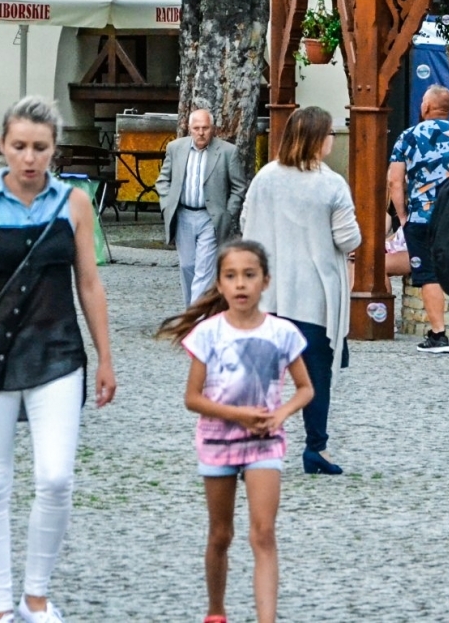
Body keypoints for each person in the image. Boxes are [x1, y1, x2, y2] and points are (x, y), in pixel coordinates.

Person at [0, 95, 116, 623]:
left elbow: (89, 282)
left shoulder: (75, 204)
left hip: (57, 351)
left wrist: (106, 356)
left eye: (40, 147)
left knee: (56, 477)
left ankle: (36, 594)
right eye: (19, 146)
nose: (29, 157)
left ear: (54, 150)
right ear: (2, 147)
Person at [156, 241, 312, 623]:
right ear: (221, 285)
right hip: (217, 443)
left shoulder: (283, 332)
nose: (240, 284)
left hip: (264, 444)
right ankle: (216, 611)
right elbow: (192, 398)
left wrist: (282, 414)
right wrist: (237, 415)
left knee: (263, 533)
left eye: (249, 275)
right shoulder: (207, 334)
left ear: (265, 282)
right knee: (220, 535)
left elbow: (306, 388)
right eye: (231, 276)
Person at [242, 105, 362, 474]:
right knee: (314, 376)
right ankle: (316, 448)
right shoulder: (330, 184)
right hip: (313, 298)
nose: (331, 140)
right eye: (328, 134)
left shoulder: (265, 177)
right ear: (316, 139)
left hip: (268, 295)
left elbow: (246, 221)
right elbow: (348, 238)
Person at [387, 84, 449, 352]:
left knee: (429, 274)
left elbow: (395, 181)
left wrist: (403, 216)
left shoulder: (408, 136)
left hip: (422, 216)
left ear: (426, 107)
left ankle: (438, 335)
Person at [155, 102, 248, 306]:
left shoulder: (227, 152)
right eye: (196, 128)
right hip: (183, 215)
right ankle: (193, 310)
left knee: (204, 269)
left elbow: (238, 187)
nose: (201, 133)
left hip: (210, 217)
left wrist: (227, 212)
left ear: (212, 129)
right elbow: (163, 180)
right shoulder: (175, 148)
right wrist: (167, 204)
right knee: (187, 265)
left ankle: (195, 319)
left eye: (205, 128)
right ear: (190, 129)